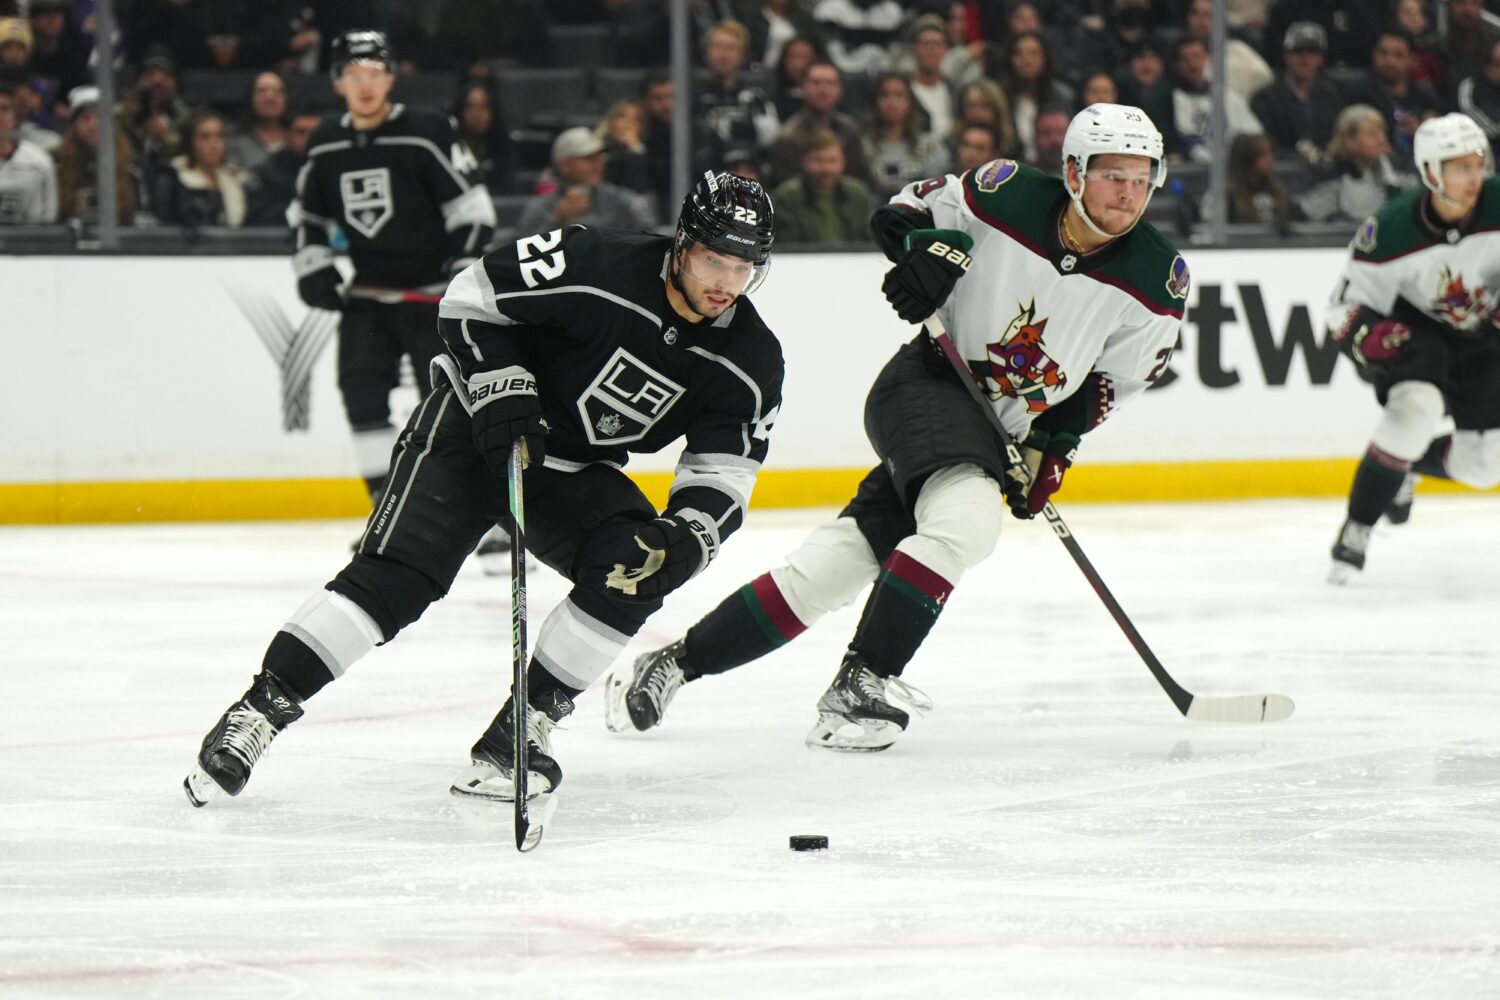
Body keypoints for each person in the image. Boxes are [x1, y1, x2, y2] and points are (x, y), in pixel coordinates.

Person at [183, 171, 782, 808]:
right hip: (471, 433)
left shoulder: (751, 360)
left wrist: (690, 534)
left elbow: (722, 473)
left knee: (640, 564)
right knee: (398, 579)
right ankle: (259, 712)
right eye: (714, 259)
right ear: (682, 245)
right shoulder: (594, 261)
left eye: (745, 267)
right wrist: (502, 383)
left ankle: (519, 731)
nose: (726, 282)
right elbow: (471, 296)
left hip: (571, 470)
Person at [608, 103, 1186, 752]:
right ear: (1074, 172)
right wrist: (924, 252)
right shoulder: (1007, 192)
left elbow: (1108, 382)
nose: (1128, 193)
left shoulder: (1159, 280)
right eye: (1114, 175)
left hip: (996, 431)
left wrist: (1052, 447)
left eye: (1143, 178)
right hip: (927, 385)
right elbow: (904, 212)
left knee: (833, 566)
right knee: (967, 521)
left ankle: (673, 663)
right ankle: (862, 682)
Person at [288, 29, 495, 508]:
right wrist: (313, 265)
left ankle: (477, 513)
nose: (365, 85)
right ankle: (387, 510)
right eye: (353, 75)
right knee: (362, 400)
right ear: (337, 82)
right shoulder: (325, 142)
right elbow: (307, 216)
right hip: (368, 298)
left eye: (375, 74)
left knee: (449, 406)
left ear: (390, 79)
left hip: (433, 300)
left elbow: (473, 210)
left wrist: (459, 274)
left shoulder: (427, 131)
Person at [1324, 112, 1500, 583]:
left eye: (1477, 163)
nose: (1473, 177)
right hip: (1416, 337)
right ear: (1429, 173)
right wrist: (1370, 338)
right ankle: (1357, 530)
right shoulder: (1389, 231)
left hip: (1485, 341)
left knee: (1485, 466)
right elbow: (1341, 311)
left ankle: (1404, 467)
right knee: (1416, 410)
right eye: (1458, 167)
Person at [515, 126, 656, 236]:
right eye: (588, 158)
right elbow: (520, 255)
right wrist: (557, 218)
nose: (598, 163)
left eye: (599, 156)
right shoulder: (541, 207)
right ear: (565, 166)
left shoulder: (624, 202)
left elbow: (651, 241)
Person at [772, 126, 874, 243]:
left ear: (843, 162)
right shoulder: (786, 197)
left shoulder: (858, 194)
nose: (826, 168)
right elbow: (787, 246)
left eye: (832, 160)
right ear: (804, 161)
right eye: (818, 160)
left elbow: (866, 240)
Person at [53, 85, 138, 224]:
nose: (93, 125)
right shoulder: (59, 164)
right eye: (85, 118)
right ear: (74, 125)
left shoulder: (131, 165)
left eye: (100, 117)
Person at [152, 110, 248, 227]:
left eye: (219, 136)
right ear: (190, 142)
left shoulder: (237, 177)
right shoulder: (172, 178)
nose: (214, 144)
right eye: (205, 137)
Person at [0, 77, 56, 223]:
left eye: (4, 109)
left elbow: (47, 220)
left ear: (14, 118)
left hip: (27, 244)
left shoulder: (38, 162)